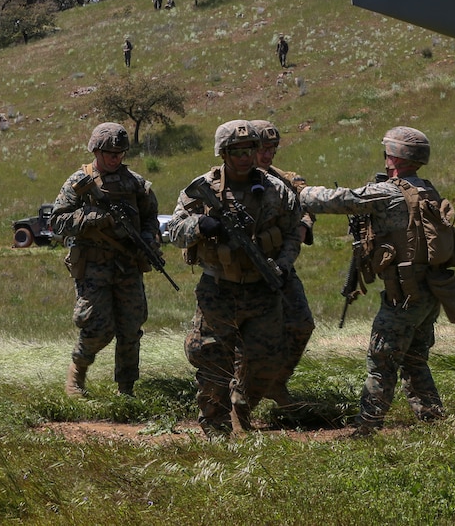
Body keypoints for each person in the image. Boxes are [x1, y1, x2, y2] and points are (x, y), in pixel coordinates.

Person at [299, 126, 445, 436]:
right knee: (415, 359)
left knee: (381, 361)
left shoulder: (388, 192)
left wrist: (301, 191)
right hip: (429, 294)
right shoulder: (428, 190)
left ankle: (367, 428)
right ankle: (433, 420)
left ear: (392, 157)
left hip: (403, 296)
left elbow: (341, 200)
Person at [168, 119, 303, 436]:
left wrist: (282, 266)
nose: (244, 157)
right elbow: (174, 231)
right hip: (219, 289)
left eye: (249, 150)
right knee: (213, 361)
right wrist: (201, 225)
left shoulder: (276, 190)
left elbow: (292, 234)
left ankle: (242, 410)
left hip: (263, 290)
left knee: (265, 362)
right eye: (236, 151)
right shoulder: (202, 189)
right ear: (224, 153)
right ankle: (216, 431)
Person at [50, 122, 161, 397]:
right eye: (109, 153)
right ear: (96, 151)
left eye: (120, 153)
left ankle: (126, 388)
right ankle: (76, 377)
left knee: (131, 327)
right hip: (93, 266)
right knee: (96, 326)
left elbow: (150, 219)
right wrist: (92, 218)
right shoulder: (79, 182)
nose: (115, 158)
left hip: (128, 265)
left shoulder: (136, 184)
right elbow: (57, 221)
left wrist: (147, 240)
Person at [245, 119, 315, 408]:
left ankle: (276, 383)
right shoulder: (229, 180)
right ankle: (240, 398)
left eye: (273, 149)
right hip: (243, 271)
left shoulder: (285, 180)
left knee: (301, 325)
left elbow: (306, 207)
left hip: (281, 265)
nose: (267, 155)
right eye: (262, 148)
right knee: (249, 338)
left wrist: (302, 227)